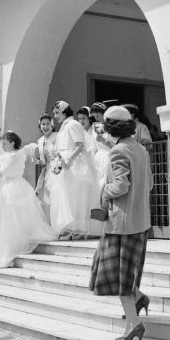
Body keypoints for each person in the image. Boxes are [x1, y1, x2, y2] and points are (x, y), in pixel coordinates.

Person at [89, 106, 153, 340]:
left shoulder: (117, 152)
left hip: (121, 224)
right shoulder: (140, 150)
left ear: (110, 128)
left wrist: (104, 190)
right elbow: (149, 184)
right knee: (129, 276)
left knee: (121, 279)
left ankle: (134, 325)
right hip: (140, 220)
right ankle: (139, 300)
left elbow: (120, 185)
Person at [0, 131, 56, 267]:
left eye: (6, 144)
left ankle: (12, 246)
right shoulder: (8, 155)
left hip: (12, 187)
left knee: (12, 217)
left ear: (13, 143)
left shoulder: (16, 156)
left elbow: (3, 171)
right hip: (3, 187)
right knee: (1, 218)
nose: (4, 146)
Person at [48, 100, 100, 240]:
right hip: (64, 163)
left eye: (57, 113)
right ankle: (68, 228)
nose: (55, 116)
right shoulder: (65, 126)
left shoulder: (72, 124)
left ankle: (77, 229)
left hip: (75, 166)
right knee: (66, 198)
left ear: (64, 112)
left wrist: (68, 159)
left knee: (76, 198)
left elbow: (80, 145)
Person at [34, 113, 58, 221]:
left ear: (52, 125)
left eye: (48, 124)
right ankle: (51, 222)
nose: (45, 126)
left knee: (57, 196)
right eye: (43, 124)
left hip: (59, 168)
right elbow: (44, 161)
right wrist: (37, 160)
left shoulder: (58, 136)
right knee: (48, 198)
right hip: (48, 170)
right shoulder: (40, 140)